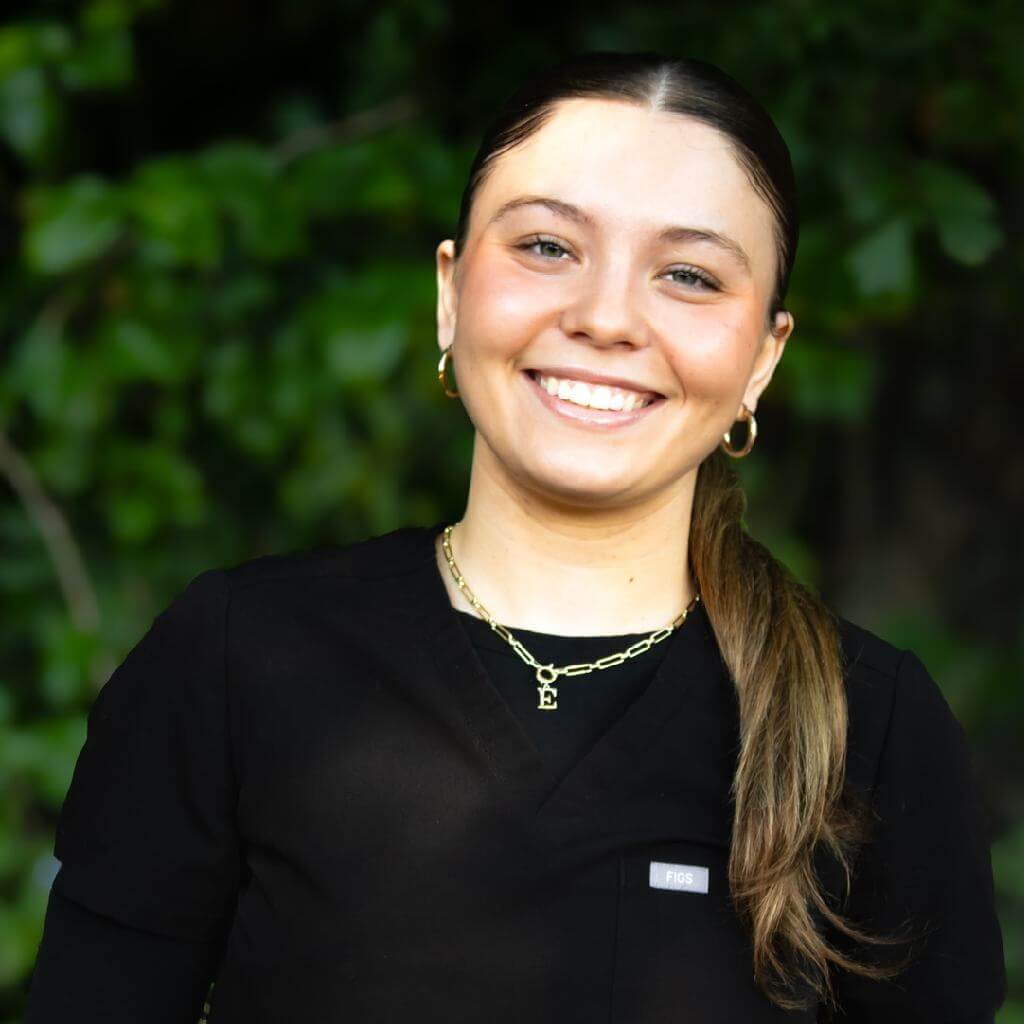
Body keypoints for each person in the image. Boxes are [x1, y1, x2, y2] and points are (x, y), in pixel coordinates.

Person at [24, 51, 1006, 1023]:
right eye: (547, 247)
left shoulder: (870, 727)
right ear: (451, 293)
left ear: (761, 357)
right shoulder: (235, 658)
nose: (606, 316)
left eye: (689, 274)